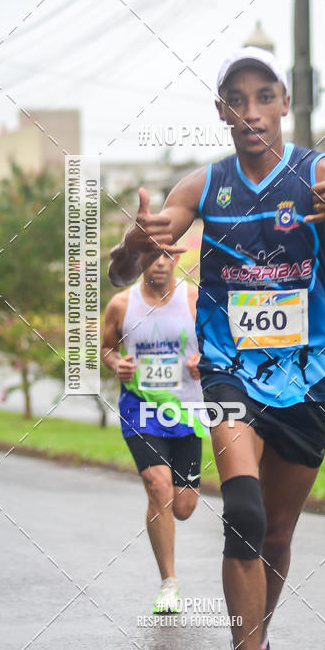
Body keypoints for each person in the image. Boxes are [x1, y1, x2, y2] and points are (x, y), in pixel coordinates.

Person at [108, 46, 325, 650]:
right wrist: (133, 242)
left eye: (263, 96)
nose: (250, 112)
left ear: (284, 104)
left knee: (275, 536)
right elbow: (132, 261)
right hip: (228, 367)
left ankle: (259, 636)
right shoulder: (203, 185)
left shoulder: (320, 175)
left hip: (306, 376)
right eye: (236, 99)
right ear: (221, 111)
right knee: (241, 513)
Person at [101, 251, 206, 614]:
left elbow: (220, 344)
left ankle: (170, 575)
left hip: (187, 410)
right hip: (140, 408)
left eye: (166, 255)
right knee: (158, 485)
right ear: (140, 260)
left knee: (184, 506)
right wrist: (118, 363)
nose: (159, 262)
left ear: (175, 258)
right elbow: (106, 348)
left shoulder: (194, 298)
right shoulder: (120, 304)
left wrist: (201, 362)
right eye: (151, 256)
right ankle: (169, 584)